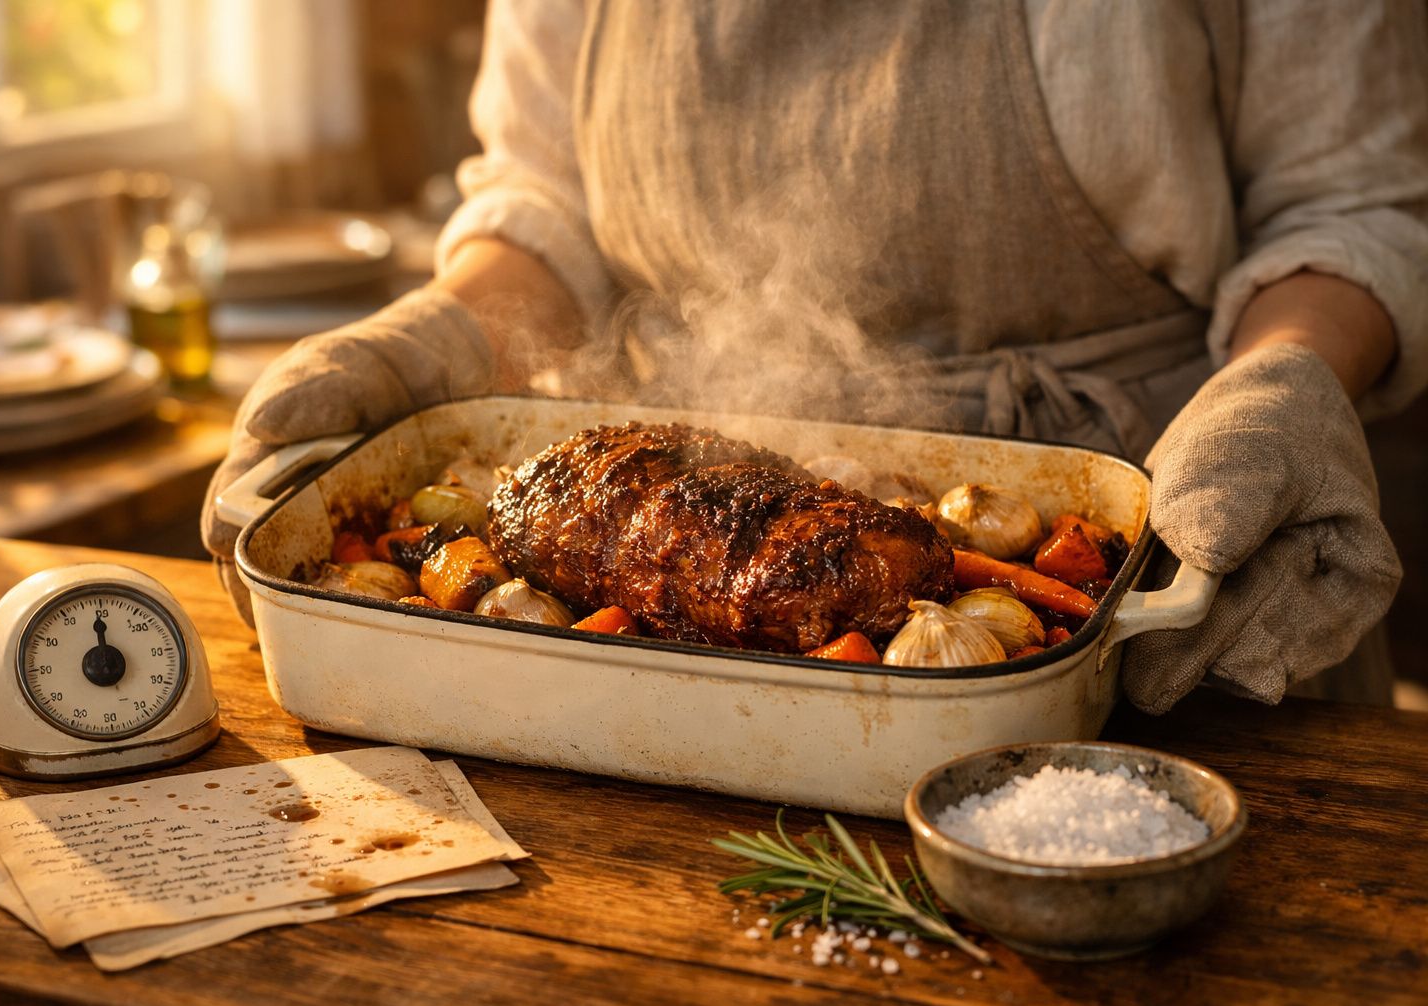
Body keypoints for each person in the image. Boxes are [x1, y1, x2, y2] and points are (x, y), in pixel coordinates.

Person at [203, 0, 1427, 713]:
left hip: (1174, 525)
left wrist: (1287, 381)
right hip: (641, 626)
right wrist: (451, 327)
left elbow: (1360, 200)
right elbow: (546, 204)